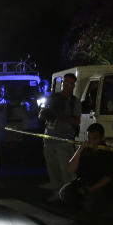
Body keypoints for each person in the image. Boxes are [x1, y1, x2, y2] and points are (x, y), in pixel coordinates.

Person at [40, 73, 81, 202]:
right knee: (53, 169)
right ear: (62, 83)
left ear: (74, 85)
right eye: (65, 82)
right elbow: (42, 114)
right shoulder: (53, 97)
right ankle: (56, 194)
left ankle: (68, 196)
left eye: (70, 83)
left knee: (66, 171)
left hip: (64, 140)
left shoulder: (74, 101)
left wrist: (60, 114)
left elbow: (76, 121)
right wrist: (44, 113)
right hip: (49, 138)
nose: (67, 85)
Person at [59, 122, 113, 215]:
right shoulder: (85, 150)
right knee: (64, 193)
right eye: (89, 138)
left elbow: (108, 178)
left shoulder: (109, 154)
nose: (91, 141)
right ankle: (80, 209)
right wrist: (79, 150)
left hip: (99, 186)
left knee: (89, 203)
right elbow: (70, 170)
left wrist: (91, 189)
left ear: (102, 138)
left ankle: (96, 212)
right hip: (83, 182)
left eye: (95, 139)